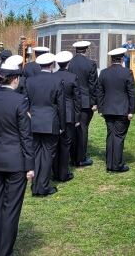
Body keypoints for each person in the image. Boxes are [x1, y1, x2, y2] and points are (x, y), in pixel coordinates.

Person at [0, 64, 33, 256]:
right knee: (10, 209)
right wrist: (29, 165)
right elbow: (25, 135)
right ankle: (4, 251)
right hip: (15, 161)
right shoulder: (20, 101)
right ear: (15, 79)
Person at [24, 52, 63, 196]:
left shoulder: (30, 81)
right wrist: (62, 125)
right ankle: (43, 186)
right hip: (50, 122)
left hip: (34, 121)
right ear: (52, 64)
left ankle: (36, 185)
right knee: (47, 156)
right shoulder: (56, 80)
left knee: (36, 154)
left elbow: (25, 102)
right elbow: (60, 105)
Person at [96, 48, 135, 173]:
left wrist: (101, 108)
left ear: (111, 59)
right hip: (122, 110)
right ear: (122, 58)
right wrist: (131, 111)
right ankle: (117, 165)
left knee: (110, 136)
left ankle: (110, 163)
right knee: (118, 137)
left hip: (108, 109)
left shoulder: (103, 73)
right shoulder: (127, 72)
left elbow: (99, 92)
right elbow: (132, 93)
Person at [52, 51, 80, 183]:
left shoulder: (53, 76)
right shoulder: (73, 77)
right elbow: (77, 99)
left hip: (55, 114)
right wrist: (77, 118)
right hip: (69, 115)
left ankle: (55, 171)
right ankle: (63, 173)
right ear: (68, 63)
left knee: (55, 144)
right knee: (65, 145)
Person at [68, 41, 97, 167]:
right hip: (85, 102)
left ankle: (72, 156)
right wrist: (94, 102)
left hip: (73, 100)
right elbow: (93, 85)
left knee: (74, 129)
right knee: (83, 129)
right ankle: (80, 158)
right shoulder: (90, 64)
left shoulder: (70, 64)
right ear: (86, 50)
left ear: (76, 50)